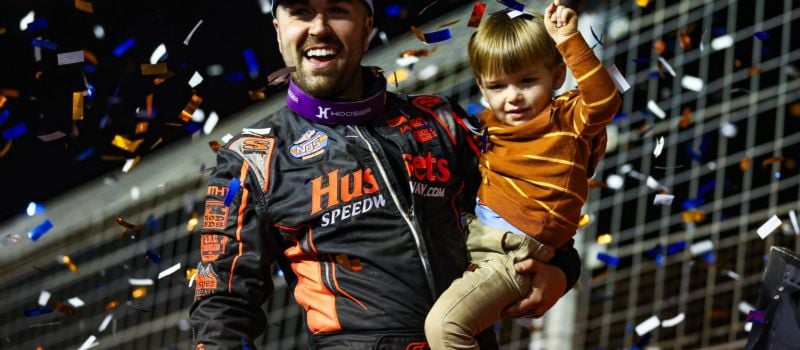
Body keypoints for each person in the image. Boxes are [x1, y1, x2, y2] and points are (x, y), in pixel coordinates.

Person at [190, 0, 582, 349]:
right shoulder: (252, 155)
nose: (319, 27)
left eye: (338, 10)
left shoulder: (441, 119)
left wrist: (561, 270)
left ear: (366, 25)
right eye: (301, 11)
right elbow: (222, 305)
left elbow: (530, 198)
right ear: (279, 30)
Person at [425, 2, 621, 349]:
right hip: (469, 245)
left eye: (528, 81)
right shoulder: (484, 128)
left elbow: (604, 100)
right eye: (498, 86)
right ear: (482, 89)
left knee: (446, 326)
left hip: (513, 255)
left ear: (557, 76)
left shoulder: (566, 119)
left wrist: (568, 39)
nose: (513, 97)